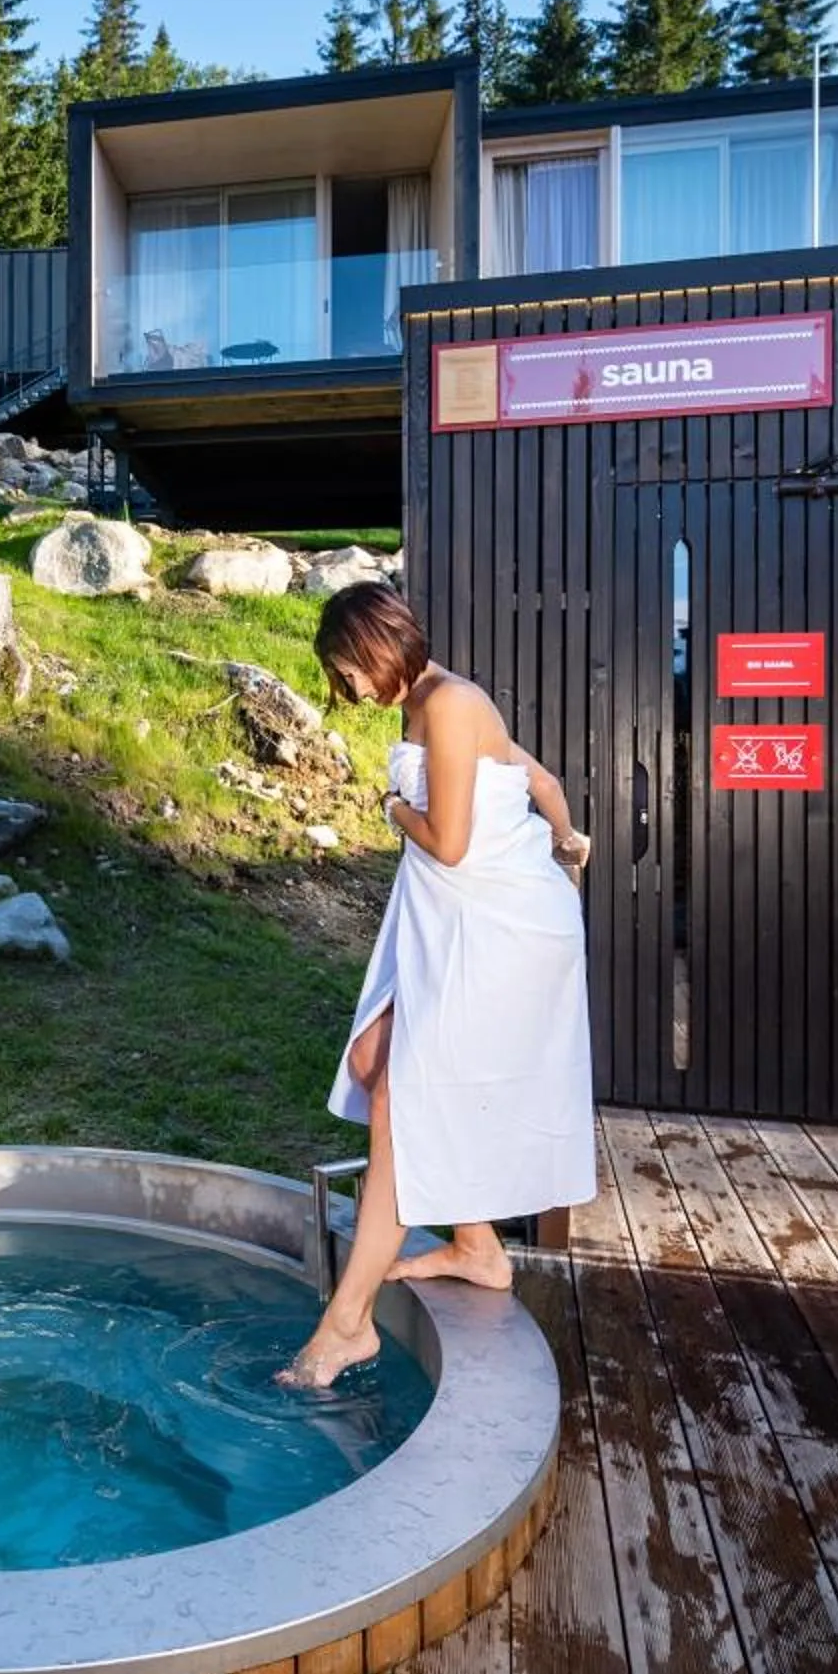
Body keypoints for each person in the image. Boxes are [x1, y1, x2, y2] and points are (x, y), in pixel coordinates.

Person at [283, 582, 597, 1389]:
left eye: (345, 672)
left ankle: (345, 1326)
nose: (345, 691)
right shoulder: (430, 701)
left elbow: (449, 843)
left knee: (400, 1104)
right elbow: (540, 778)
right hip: (462, 920)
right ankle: (478, 1246)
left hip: (497, 929)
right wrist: (567, 842)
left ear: (375, 648)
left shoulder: (450, 704)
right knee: (368, 1063)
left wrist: (390, 806)